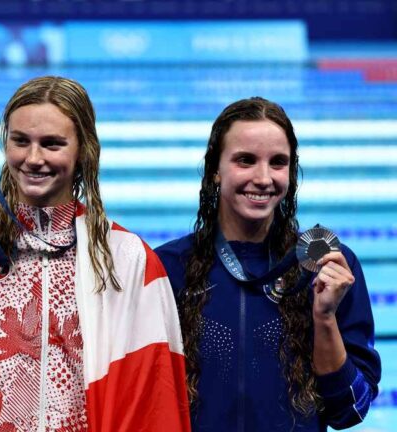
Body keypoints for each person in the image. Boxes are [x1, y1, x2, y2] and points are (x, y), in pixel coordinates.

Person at [0, 76, 190, 431]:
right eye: (20, 141)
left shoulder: (123, 257)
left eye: (52, 144)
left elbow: (149, 399)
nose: (33, 159)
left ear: (84, 149)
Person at [155, 97, 381, 431]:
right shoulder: (168, 268)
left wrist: (325, 318)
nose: (263, 178)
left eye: (278, 162)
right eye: (245, 161)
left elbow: (350, 410)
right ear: (215, 170)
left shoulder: (331, 267)